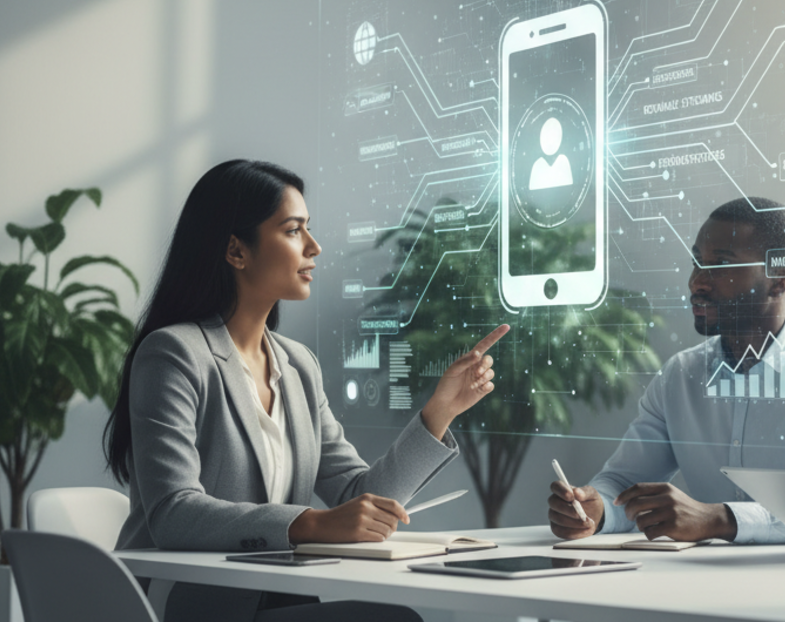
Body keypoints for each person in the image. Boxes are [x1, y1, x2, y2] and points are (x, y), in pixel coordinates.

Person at [103, 160, 510, 621]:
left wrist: (439, 413)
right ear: (236, 251)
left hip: (277, 597)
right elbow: (173, 513)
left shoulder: (298, 365)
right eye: (294, 231)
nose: (314, 247)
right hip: (189, 602)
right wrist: (308, 523)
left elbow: (359, 494)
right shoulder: (174, 353)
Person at [547, 197, 785, 544]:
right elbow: (621, 483)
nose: (697, 282)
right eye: (697, 262)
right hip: (702, 587)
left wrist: (719, 518)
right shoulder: (680, 376)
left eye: (721, 264)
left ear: (779, 280)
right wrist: (596, 510)